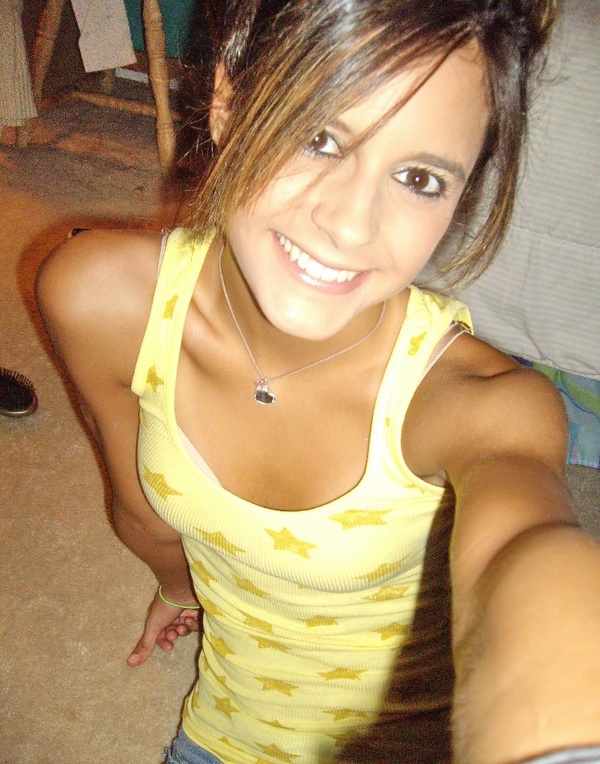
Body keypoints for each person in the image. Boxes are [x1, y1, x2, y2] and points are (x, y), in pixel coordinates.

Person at [36, 1, 600, 763]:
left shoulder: (483, 404)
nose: (351, 223)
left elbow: (526, 553)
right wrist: (180, 588)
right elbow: (142, 513)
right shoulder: (97, 295)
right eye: (319, 137)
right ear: (228, 103)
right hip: (228, 734)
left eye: (419, 178)